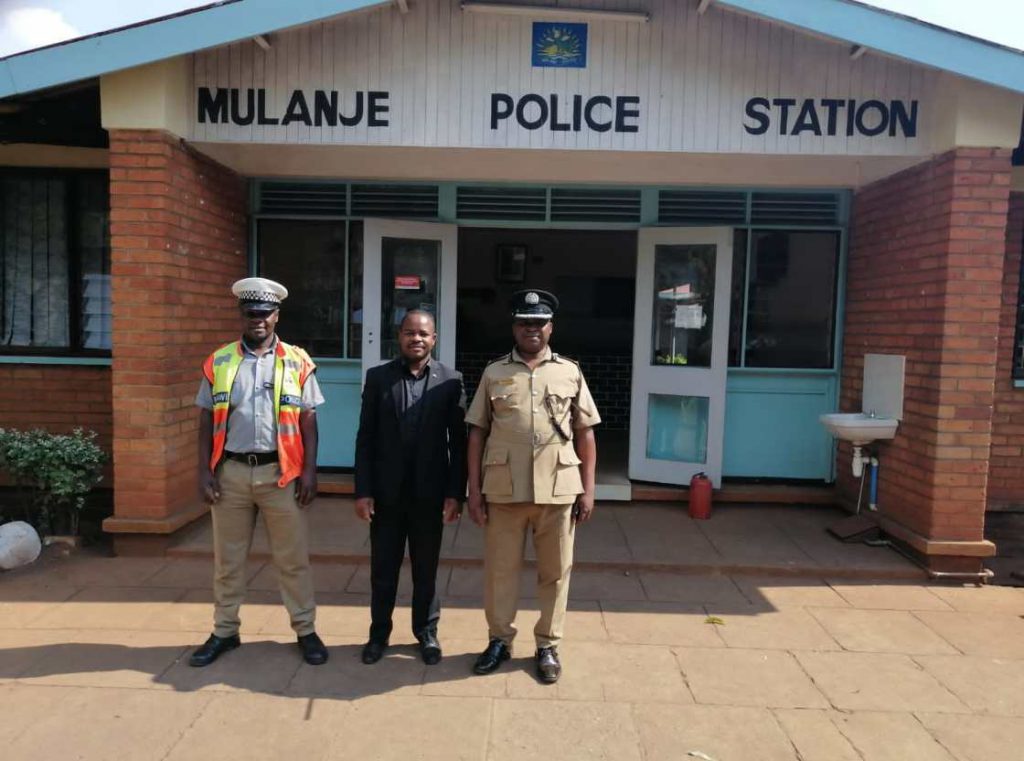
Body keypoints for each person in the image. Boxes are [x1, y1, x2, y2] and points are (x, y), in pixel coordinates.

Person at [189, 277, 328, 668]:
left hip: (281, 475)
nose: (258, 320)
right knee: (228, 561)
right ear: (242, 314)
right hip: (230, 474)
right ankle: (224, 631)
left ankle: (305, 630)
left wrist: (310, 472)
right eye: (251, 313)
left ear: (276, 315)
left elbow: (308, 420)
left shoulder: (297, 361)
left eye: (265, 313)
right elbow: (205, 420)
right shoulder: (219, 361)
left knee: (292, 559)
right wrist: (203, 471)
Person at [465, 289, 600, 684]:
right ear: (514, 327)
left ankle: (548, 644)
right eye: (525, 322)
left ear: (550, 327)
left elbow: (585, 433)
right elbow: (477, 432)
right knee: (500, 573)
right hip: (504, 490)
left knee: (555, 573)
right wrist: (474, 490)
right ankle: (499, 640)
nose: (532, 329)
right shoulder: (494, 373)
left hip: (558, 490)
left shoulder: (569, 372)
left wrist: (588, 489)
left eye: (539, 322)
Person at [354, 309, 467, 665]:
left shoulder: (451, 381)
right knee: (383, 570)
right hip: (386, 495)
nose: (416, 338)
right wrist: (363, 490)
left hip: (429, 496)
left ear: (434, 339)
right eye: (409, 332)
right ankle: (378, 634)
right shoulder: (378, 378)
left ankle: (426, 633)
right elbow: (366, 437)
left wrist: (455, 493)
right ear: (399, 336)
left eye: (423, 333)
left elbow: (459, 443)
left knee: (426, 570)